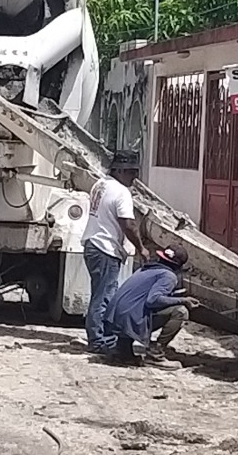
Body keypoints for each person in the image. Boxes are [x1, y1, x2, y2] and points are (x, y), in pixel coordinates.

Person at [81, 150, 148, 353]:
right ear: (118, 170)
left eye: (135, 172)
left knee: (99, 293)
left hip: (93, 243)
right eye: (130, 172)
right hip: (105, 248)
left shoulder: (100, 184)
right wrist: (141, 248)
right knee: (104, 296)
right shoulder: (121, 192)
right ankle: (98, 340)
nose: (134, 177)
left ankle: (98, 337)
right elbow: (128, 224)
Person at [103, 246, 199, 369]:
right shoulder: (168, 276)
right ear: (179, 266)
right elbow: (153, 300)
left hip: (114, 317)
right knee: (180, 311)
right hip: (130, 320)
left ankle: (123, 352)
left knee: (134, 308)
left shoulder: (144, 269)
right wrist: (183, 300)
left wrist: (172, 296)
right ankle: (155, 356)